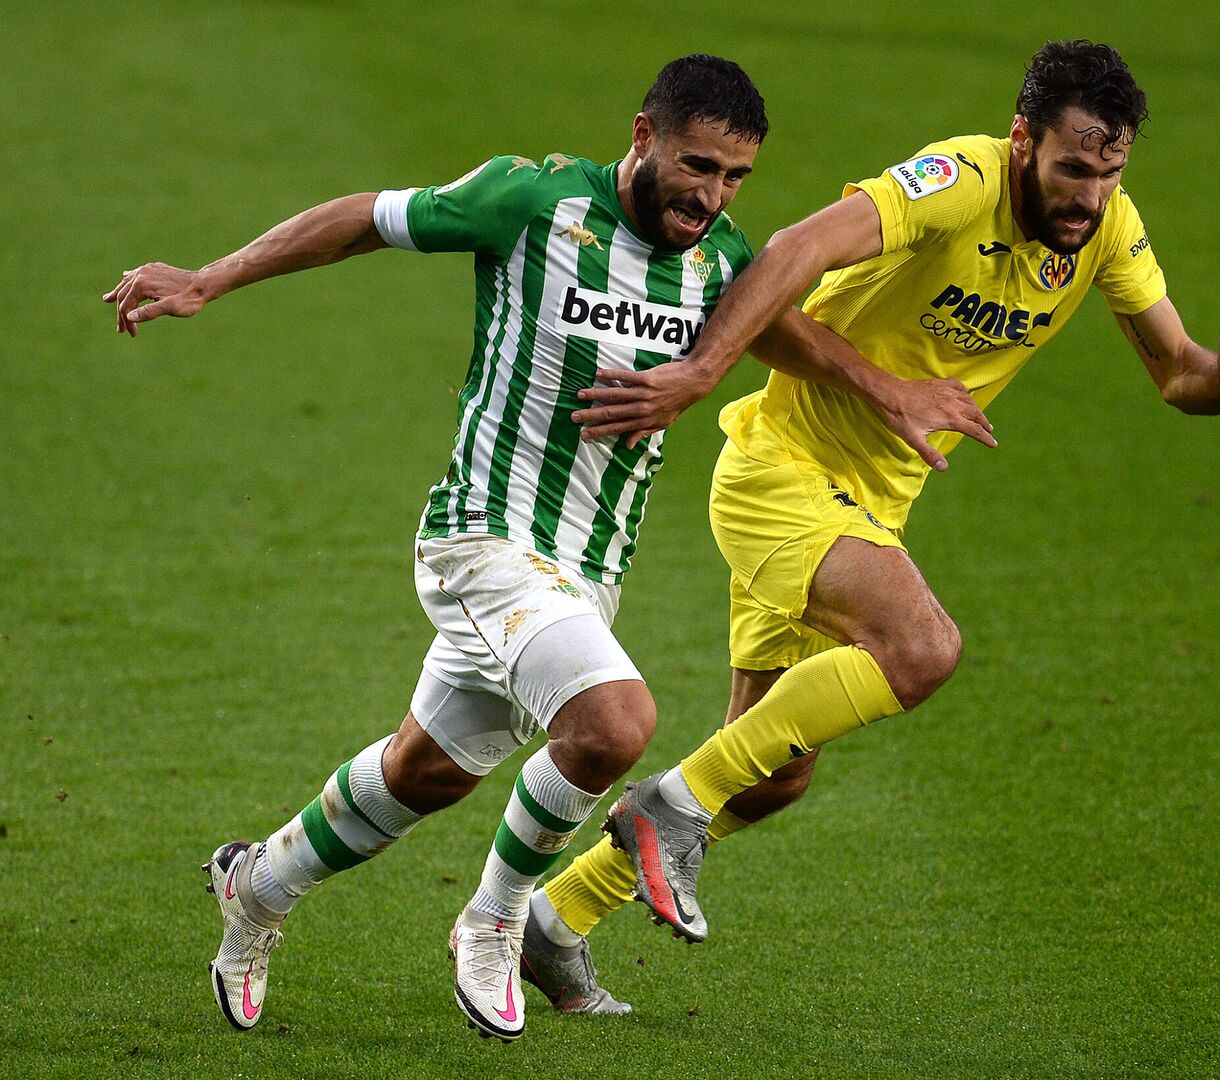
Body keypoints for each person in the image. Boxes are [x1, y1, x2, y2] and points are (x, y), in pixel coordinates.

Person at [102, 54, 990, 1041]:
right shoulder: (532, 201)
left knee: (423, 773)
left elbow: (777, 334)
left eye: (736, 177)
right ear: (644, 137)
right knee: (615, 724)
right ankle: (494, 922)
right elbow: (367, 215)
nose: (713, 194)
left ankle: (256, 890)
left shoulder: (717, 260)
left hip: (586, 569)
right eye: (697, 165)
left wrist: (890, 389)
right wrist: (212, 278)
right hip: (484, 534)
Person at [531, 39, 1220, 1007]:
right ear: (1024, 141)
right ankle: (666, 810)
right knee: (923, 646)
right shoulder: (957, 182)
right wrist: (700, 371)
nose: (1091, 197)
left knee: (772, 776)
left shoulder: (1108, 230)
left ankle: (556, 917)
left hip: (870, 506)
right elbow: (794, 250)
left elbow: (1177, 372)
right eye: (1073, 168)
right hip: (781, 472)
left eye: (1110, 174)